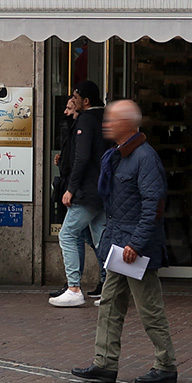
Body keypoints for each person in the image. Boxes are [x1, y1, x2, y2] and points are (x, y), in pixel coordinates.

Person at [72, 100, 177, 383]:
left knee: (149, 307)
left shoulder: (144, 157)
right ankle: (104, 363)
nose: (107, 124)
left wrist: (137, 243)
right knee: (109, 304)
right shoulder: (119, 155)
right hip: (120, 245)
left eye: (112, 120)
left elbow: (153, 205)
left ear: (128, 124)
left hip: (134, 249)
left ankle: (166, 364)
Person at [51, 81, 108, 308]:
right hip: (101, 188)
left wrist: (71, 189)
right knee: (100, 238)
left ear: (86, 100)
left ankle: (74, 287)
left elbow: (82, 157)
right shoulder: (103, 118)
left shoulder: (86, 119)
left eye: (75, 96)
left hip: (87, 191)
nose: (71, 100)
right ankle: (110, 287)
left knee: (67, 235)